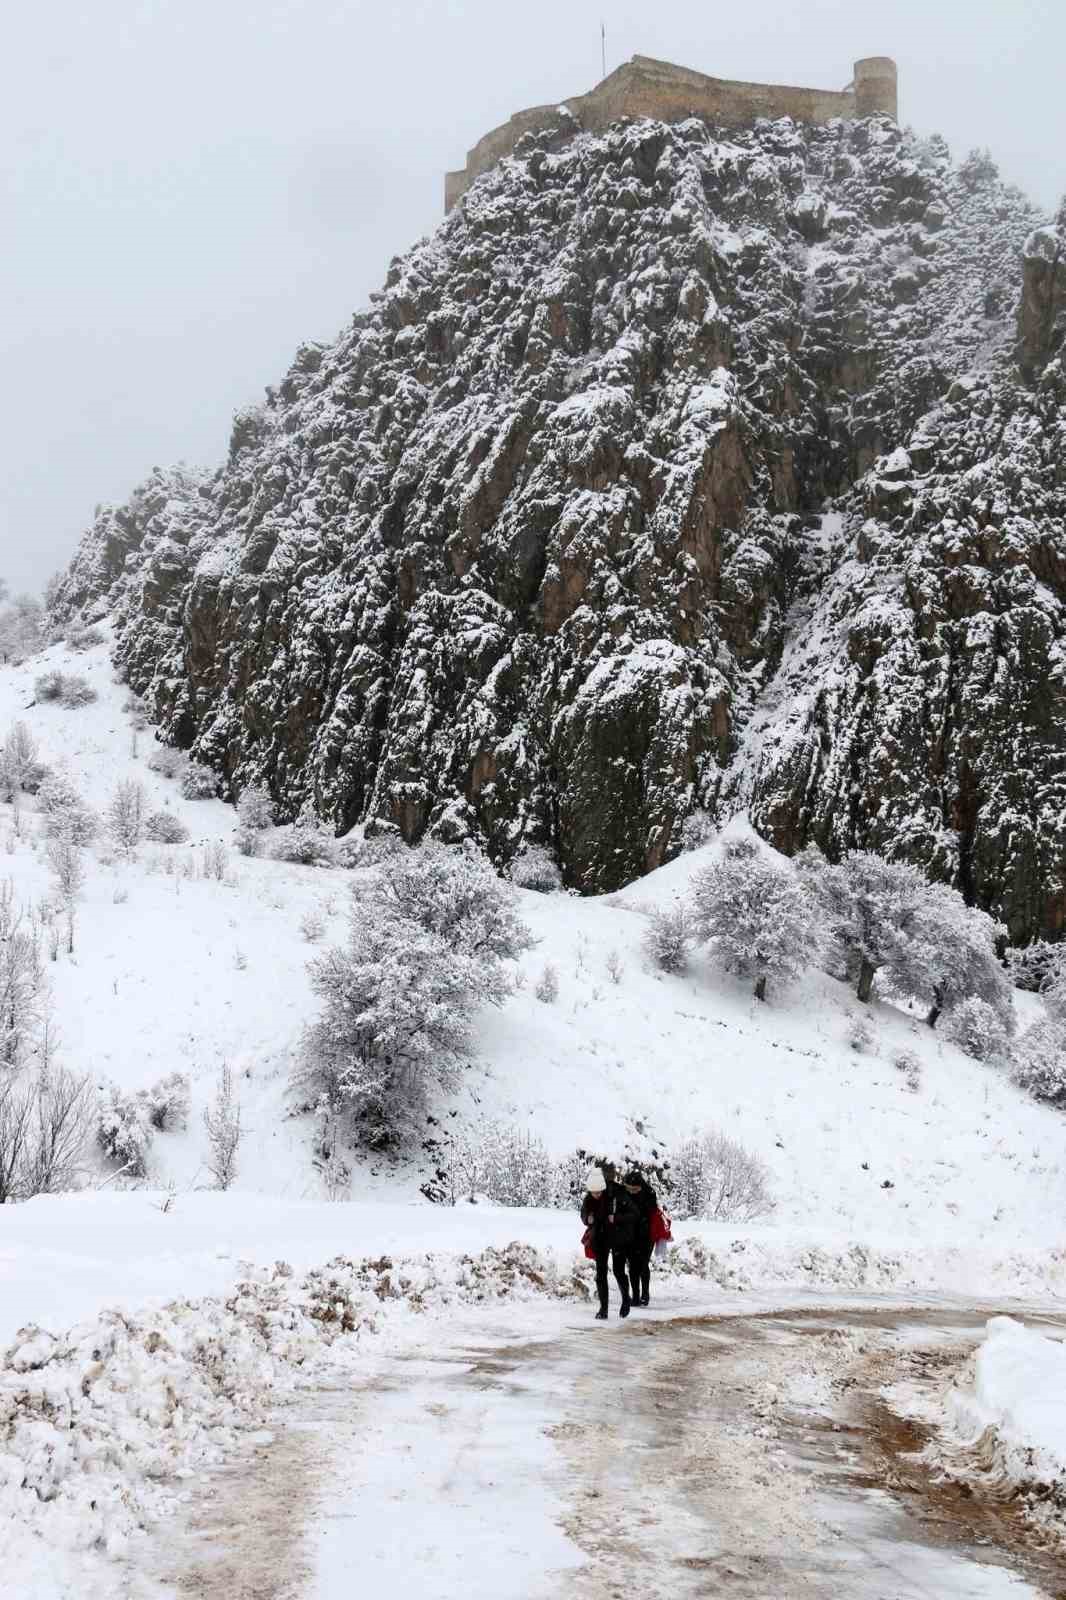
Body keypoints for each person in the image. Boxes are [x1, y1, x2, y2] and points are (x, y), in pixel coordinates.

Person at [580, 1164, 634, 1319]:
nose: (596, 1195)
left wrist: (616, 1218)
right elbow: (583, 1214)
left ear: (603, 1188)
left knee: (618, 1271)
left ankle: (626, 1299)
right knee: (601, 1274)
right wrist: (587, 1218)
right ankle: (603, 1309)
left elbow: (633, 1214)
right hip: (600, 1238)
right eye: (593, 1192)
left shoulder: (616, 1194)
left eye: (598, 1192)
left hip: (617, 1238)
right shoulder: (589, 1199)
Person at [620, 1169, 657, 1308]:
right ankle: (635, 1296)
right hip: (630, 1235)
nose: (631, 1191)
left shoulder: (650, 1193)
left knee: (642, 1264)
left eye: (634, 1189)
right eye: (629, 1188)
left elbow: (649, 1212)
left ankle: (645, 1295)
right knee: (632, 1267)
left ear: (640, 1186)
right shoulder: (624, 1193)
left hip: (646, 1236)